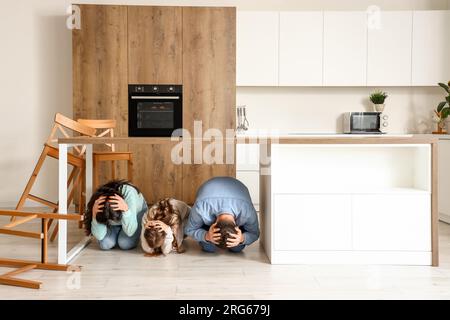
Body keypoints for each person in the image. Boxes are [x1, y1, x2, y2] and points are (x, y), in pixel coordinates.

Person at [184, 177, 260, 253]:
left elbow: (255, 233)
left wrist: (241, 238)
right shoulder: (200, 208)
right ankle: (212, 238)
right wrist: (206, 235)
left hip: (237, 189)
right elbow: (188, 229)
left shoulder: (247, 211)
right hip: (209, 190)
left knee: (237, 248)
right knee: (208, 247)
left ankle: (233, 239)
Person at [84, 180, 148, 250]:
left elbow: (130, 232)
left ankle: (120, 232)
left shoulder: (129, 193)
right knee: (105, 244)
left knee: (125, 243)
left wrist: (126, 210)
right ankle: (119, 230)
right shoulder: (99, 202)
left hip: (135, 213)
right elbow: (99, 236)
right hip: (113, 215)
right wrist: (94, 214)